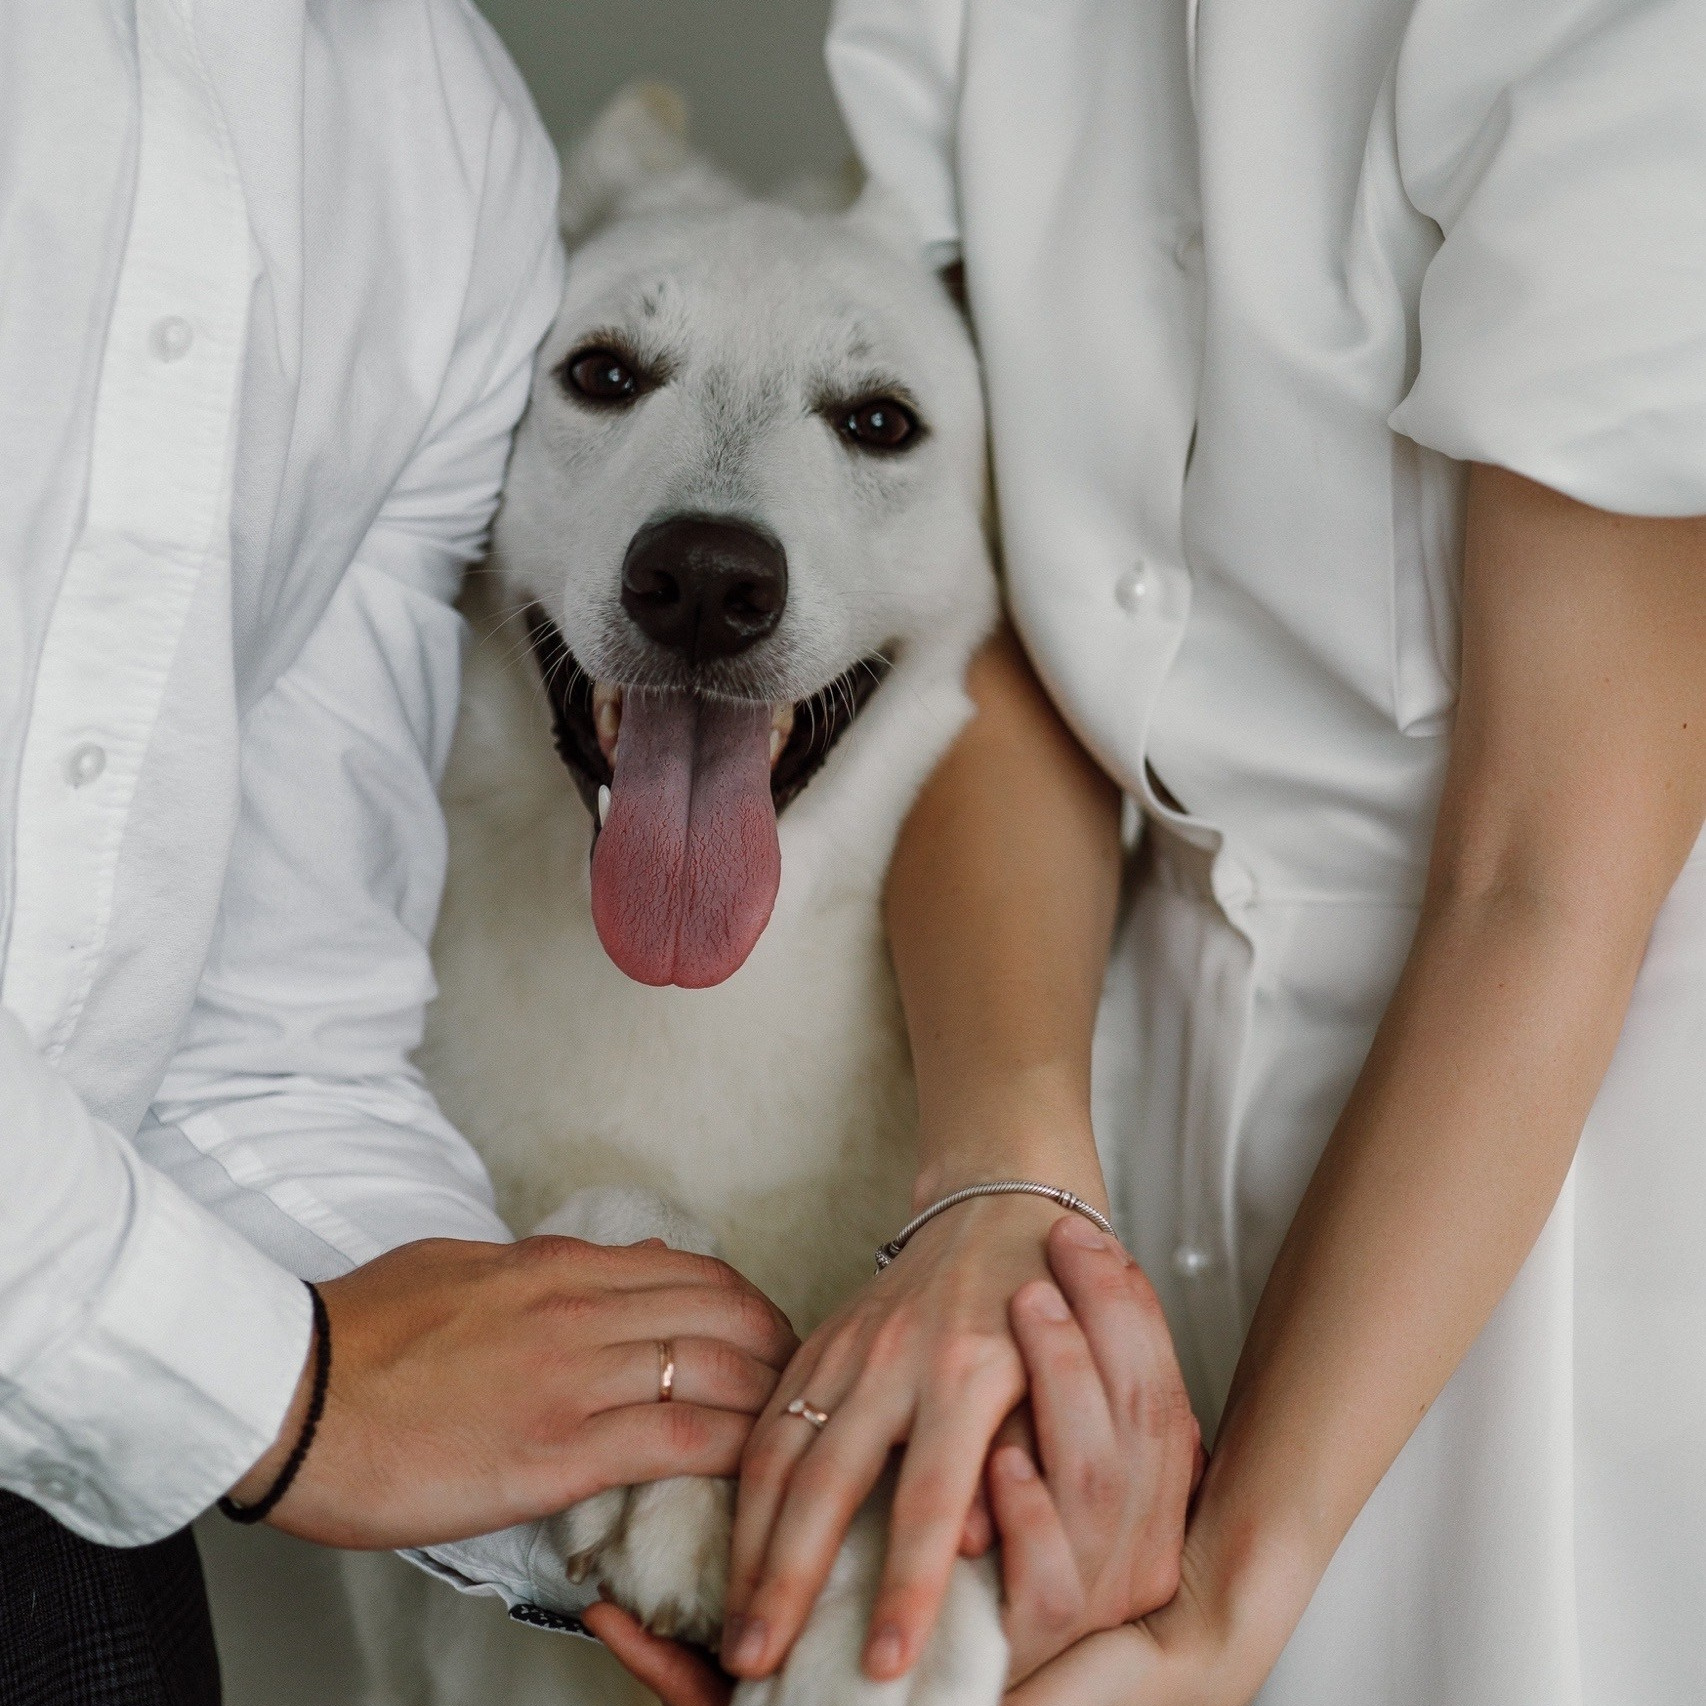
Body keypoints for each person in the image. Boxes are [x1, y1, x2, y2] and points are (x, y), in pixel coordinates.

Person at [607, 1, 1706, 1701]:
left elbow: (1543, 874)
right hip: (1110, 1060)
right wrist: (1006, 1187)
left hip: (1562, 1153)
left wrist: (1217, 1620)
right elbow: (975, 625)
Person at [0, 5, 797, 1700]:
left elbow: (245, 1016)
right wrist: (279, 1394)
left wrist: (630, 1457)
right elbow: (281, 1389)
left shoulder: (440, 130)